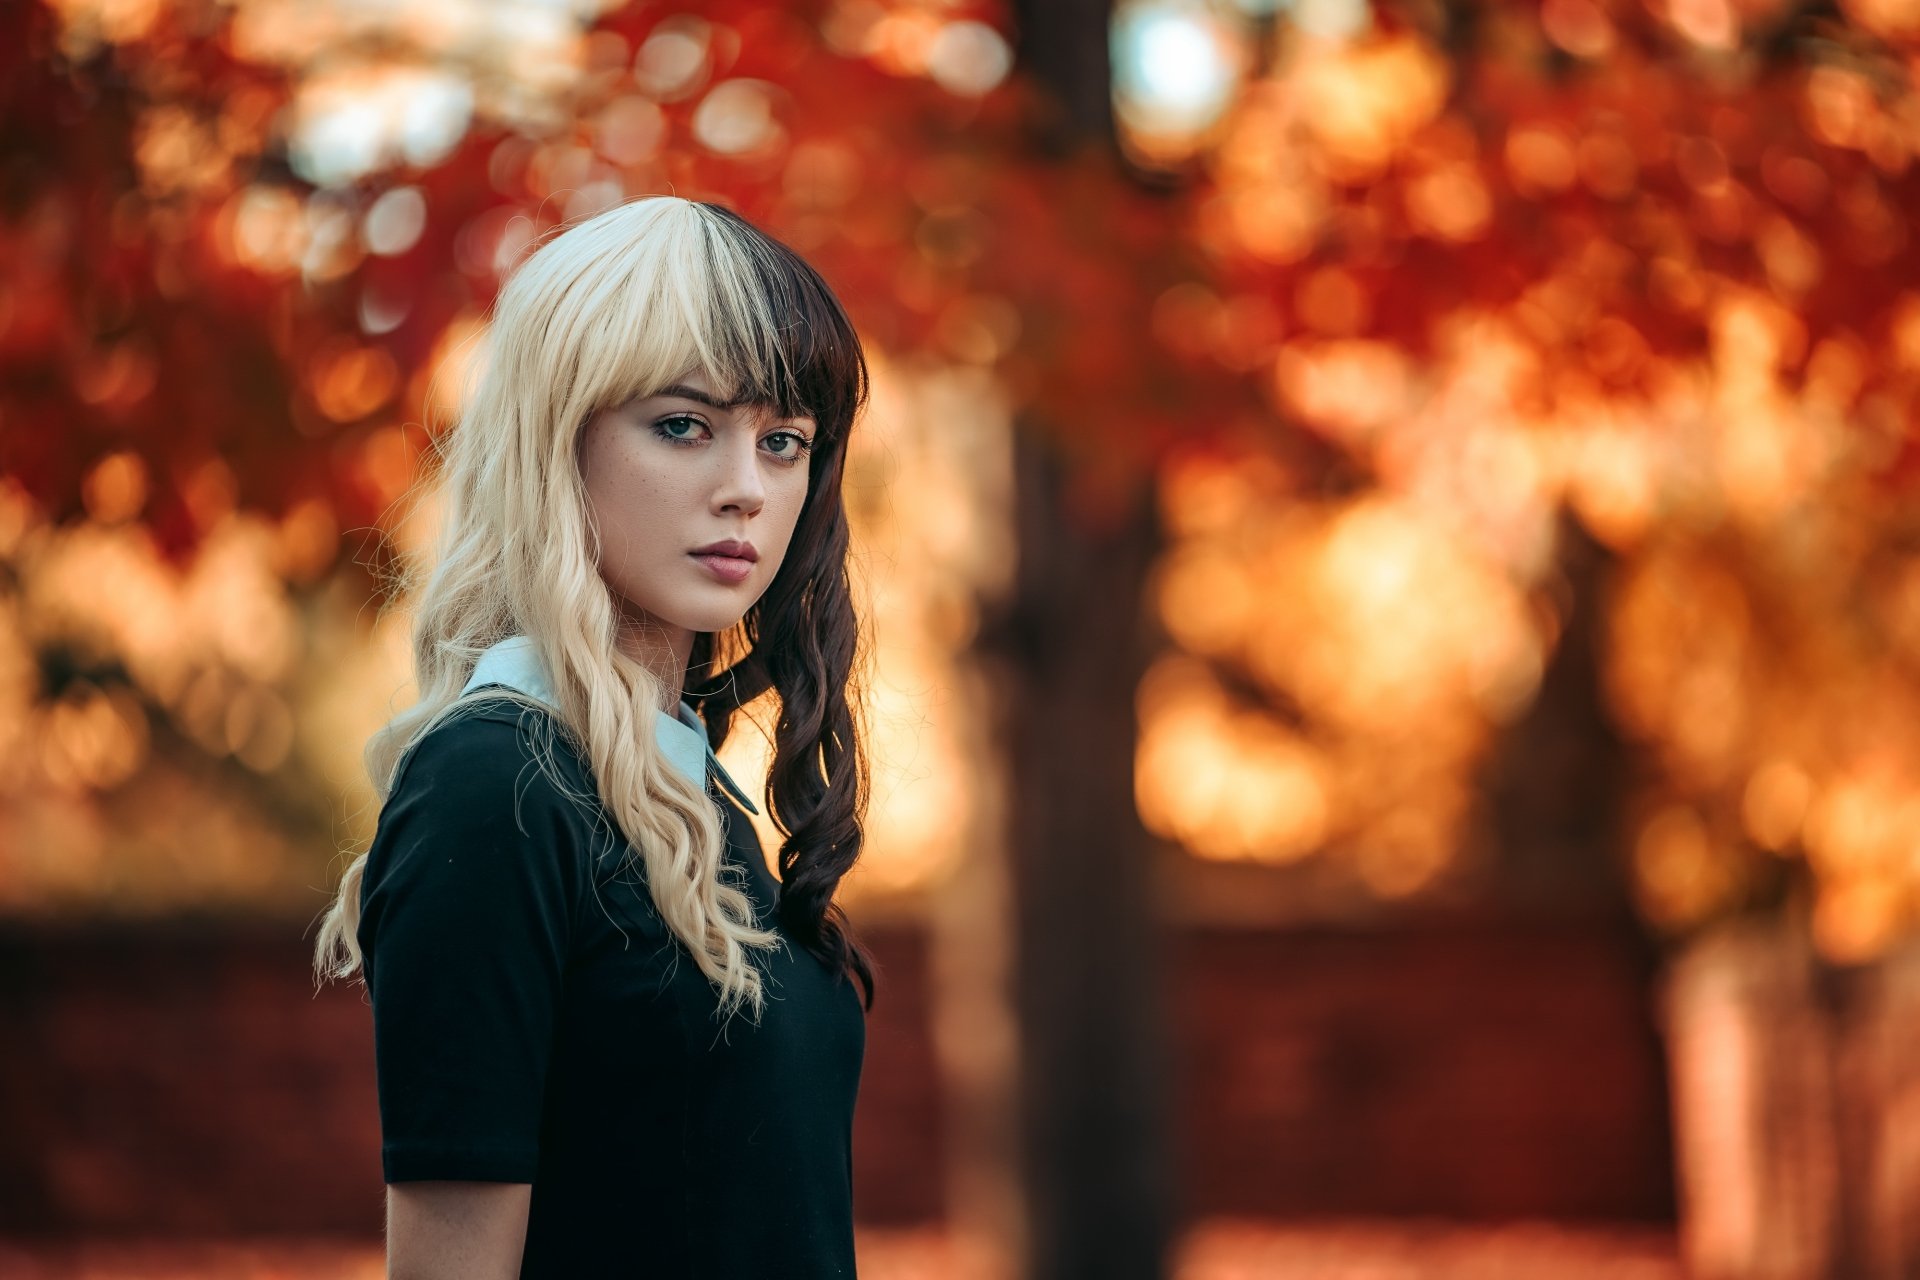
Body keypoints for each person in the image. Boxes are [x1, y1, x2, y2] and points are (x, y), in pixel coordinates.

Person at [310, 194, 878, 1279]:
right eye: (683, 424)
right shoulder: (496, 787)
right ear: (552, 440)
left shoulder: (695, 795)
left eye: (784, 440)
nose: (746, 488)